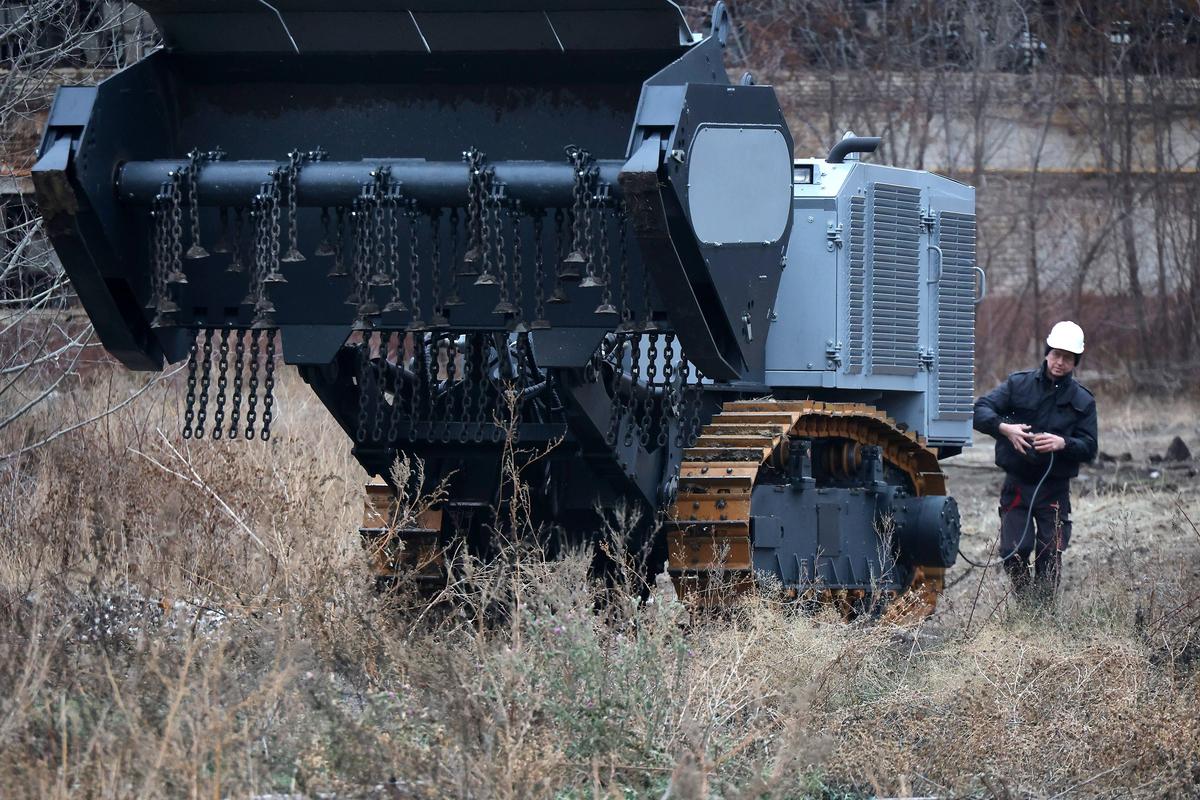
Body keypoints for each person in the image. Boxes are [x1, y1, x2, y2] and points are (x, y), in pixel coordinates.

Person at [973, 321, 1098, 597]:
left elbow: (1090, 448)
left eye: (1067, 358)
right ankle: (1026, 603)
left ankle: (1043, 614)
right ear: (1046, 352)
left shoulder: (1083, 401)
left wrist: (1063, 443)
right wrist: (1005, 429)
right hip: (1016, 485)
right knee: (1013, 551)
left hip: (1054, 489)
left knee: (1050, 553)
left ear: (1076, 361)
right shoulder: (1019, 384)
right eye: (1055, 354)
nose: (1059, 362)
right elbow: (980, 410)